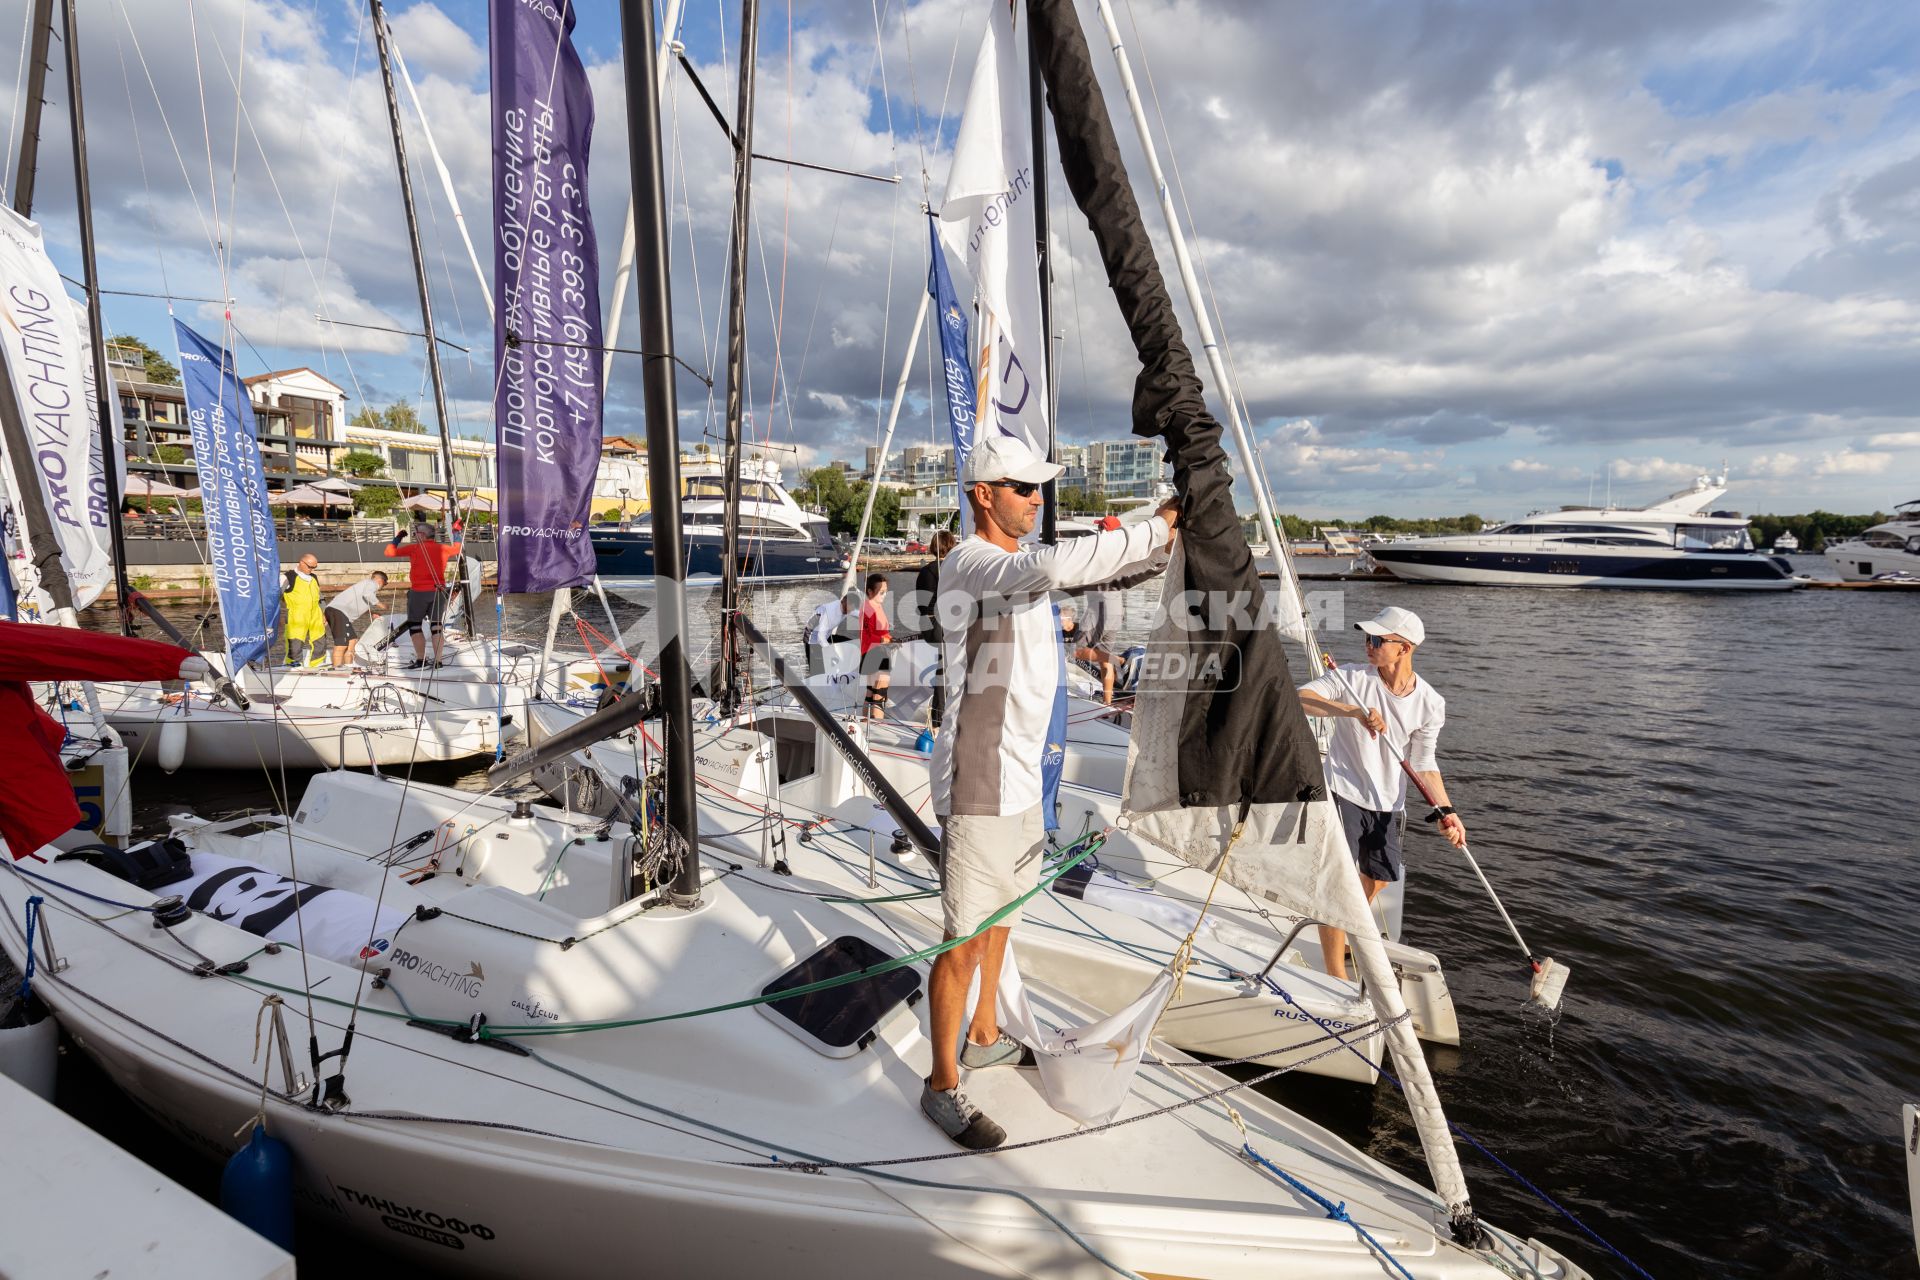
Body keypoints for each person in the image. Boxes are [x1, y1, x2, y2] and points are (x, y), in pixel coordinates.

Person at [923, 434, 1177, 1149]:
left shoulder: (1015, 571)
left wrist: (1163, 537)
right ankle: (941, 1083)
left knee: (1005, 915)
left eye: (1038, 490)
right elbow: (1060, 562)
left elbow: (1092, 575)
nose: (1037, 500)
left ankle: (984, 1032)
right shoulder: (971, 563)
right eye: (1023, 489)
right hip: (980, 775)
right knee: (964, 938)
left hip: (1026, 774)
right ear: (983, 494)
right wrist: (1154, 526)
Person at [1295, 605, 1466, 983]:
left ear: (1404, 648)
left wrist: (1446, 810)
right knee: (1340, 878)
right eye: (1366, 637)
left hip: (1388, 800)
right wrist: (1351, 712)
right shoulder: (1352, 677)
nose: (1367, 644)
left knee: (1380, 877)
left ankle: (1340, 919)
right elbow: (1300, 698)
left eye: (1376, 639)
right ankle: (1336, 973)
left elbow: (1424, 764)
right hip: (1342, 788)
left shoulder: (1430, 703)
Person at [384, 520, 462, 668]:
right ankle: (438, 662)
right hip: (438, 591)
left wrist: (398, 537)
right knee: (436, 626)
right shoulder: (443, 548)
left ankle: (421, 660)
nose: (414, 536)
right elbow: (458, 548)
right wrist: (456, 532)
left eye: (415, 533)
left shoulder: (414, 548)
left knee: (414, 626)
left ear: (423, 535)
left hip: (419, 592)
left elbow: (389, 552)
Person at [911, 530, 959, 726]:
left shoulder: (924, 570)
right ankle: (940, 717)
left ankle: (941, 713)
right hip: (940, 625)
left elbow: (920, 603)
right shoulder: (951, 569)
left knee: (944, 666)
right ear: (951, 545)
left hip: (926, 624)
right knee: (947, 668)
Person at [323, 570, 387, 669]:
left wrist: (371, 612)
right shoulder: (371, 583)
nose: (382, 587)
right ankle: (336, 670)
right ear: (380, 580)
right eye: (384, 584)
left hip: (339, 613)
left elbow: (360, 602)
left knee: (352, 641)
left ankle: (349, 667)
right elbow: (368, 595)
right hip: (339, 612)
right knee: (341, 643)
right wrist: (381, 604)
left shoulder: (364, 586)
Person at [279, 553, 325, 667]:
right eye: (310, 567)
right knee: (295, 642)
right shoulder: (288, 577)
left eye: (315, 567)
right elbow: (275, 596)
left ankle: (317, 665)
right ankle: (294, 665)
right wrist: (278, 615)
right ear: (301, 562)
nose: (312, 570)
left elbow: (320, 597)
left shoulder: (314, 578)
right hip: (296, 616)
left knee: (320, 641)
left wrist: (324, 614)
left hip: (316, 615)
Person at [858, 572, 894, 720]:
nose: (884, 595)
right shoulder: (868, 608)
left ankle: (866, 725)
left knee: (871, 691)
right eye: (881, 592)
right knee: (880, 693)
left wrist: (888, 639)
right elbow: (866, 634)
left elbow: (880, 632)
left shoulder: (874, 606)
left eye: (885, 592)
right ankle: (876, 728)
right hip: (876, 652)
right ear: (870, 592)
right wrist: (883, 640)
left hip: (870, 652)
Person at [803, 588, 862, 677]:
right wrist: (831, 651)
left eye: (851, 609)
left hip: (826, 636)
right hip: (812, 639)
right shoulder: (829, 612)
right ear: (843, 602)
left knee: (851, 643)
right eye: (848, 608)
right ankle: (817, 681)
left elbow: (860, 614)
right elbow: (820, 638)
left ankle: (848, 671)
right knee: (818, 672)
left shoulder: (848, 607)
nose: (849, 611)